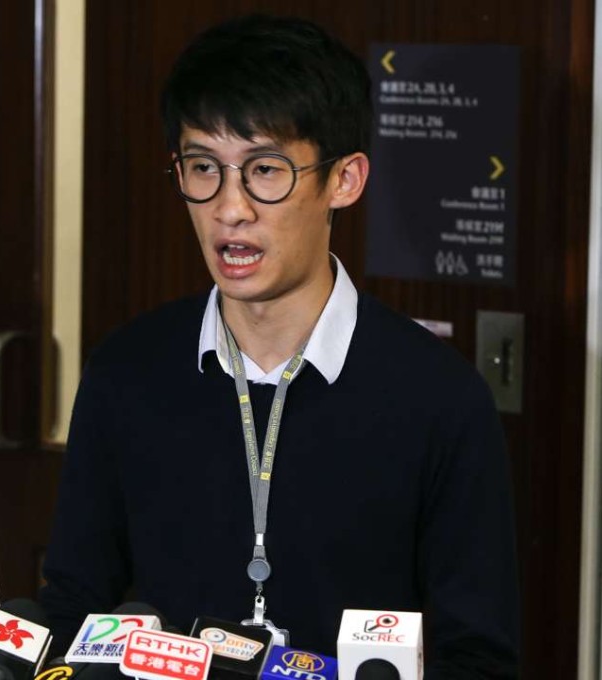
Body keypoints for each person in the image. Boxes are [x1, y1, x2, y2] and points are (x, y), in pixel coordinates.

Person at [39, 14, 518, 677]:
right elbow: (70, 605)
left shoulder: (440, 398)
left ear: (344, 181)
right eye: (203, 167)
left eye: (264, 170)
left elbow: (479, 656)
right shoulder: (127, 371)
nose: (229, 208)